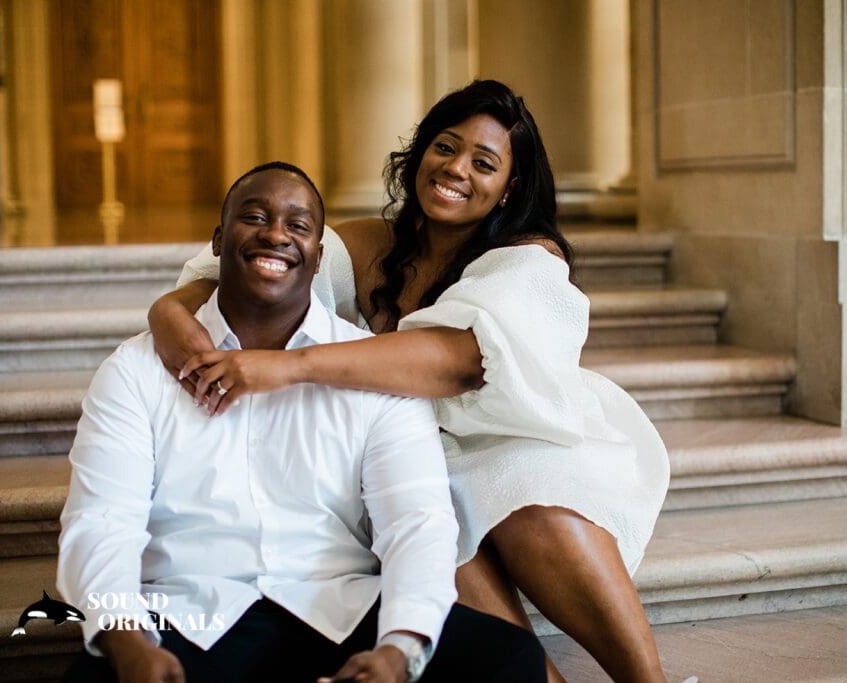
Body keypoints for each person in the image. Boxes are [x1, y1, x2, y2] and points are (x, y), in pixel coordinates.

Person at [151, 80, 670, 683]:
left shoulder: (529, 256)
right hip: (413, 442)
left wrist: (288, 366)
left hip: (515, 433)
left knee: (529, 498)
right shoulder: (372, 243)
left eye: (483, 162)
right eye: (445, 148)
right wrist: (167, 314)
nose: (456, 170)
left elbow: (456, 361)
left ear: (511, 188)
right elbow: (236, 273)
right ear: (420, 151)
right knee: (431, 514)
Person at [58, 162, 547, 683]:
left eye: (297, 226)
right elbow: (101, 523)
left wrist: (399, 649)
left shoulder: (372, 368)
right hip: (189, 613)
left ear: (318, 257)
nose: (275, 234)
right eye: (255, 217)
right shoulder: (135, 371)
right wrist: (127, 639)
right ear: (219, 241)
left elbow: (417, 523)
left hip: (341, 608)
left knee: (506, 658)